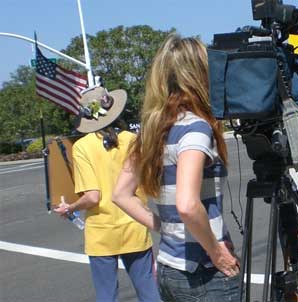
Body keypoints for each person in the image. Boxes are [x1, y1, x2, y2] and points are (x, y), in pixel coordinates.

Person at [111, 34, 240, 302]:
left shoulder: (153, 130)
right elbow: (187, 204)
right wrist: (216, 252)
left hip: (170, 267)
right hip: (203, 271)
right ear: (198, 74)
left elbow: (121, 194)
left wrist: (165, 226)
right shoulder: (196, 127)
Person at [54, 86, 160, 302]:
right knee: (149, 293)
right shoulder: (133, 139)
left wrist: (70, 208)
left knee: (107, 296)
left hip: (101, 233)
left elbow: (93, 196)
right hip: (135, 223)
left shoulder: (82, 146)